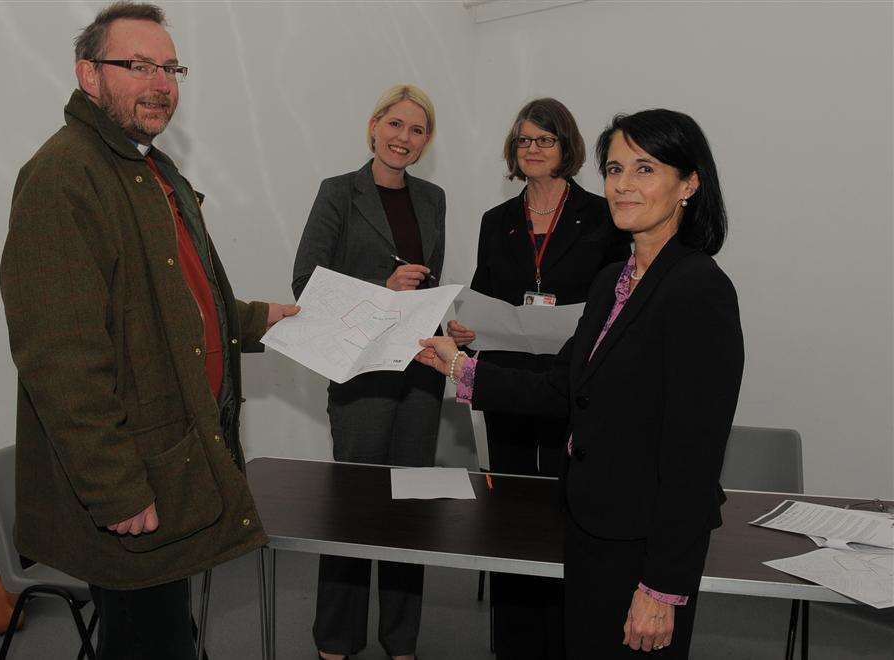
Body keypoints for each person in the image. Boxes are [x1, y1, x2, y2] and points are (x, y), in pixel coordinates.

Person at [0, 4, 298, 658]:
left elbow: (180, 301)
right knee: (149, 645)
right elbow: (61, 358)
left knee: (165, 638)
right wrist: (115, 487)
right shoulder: (64, 175)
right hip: (136, 480)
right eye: (137, 65)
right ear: (88, 75)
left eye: (170, 67)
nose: (161, 82)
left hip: (179, 459)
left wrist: (258, 319)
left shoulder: (152, 169)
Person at [420, 109, 743, 658]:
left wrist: (662, 589)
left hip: (644, 548)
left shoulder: (698, 289)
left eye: (645, 169)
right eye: (615, 169)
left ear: (690, 183)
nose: (622, 185)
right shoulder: (612, 282)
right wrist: (459, 366)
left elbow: (693, 458)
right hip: (591, 525)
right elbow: (562, 388)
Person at [447, 98, 629, 660]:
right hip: (505, 383)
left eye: (545, 140)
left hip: (569, 384)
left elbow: (615, 299)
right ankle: (515, 645)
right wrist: (464, 325)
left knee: (563, 518)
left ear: (566, 146)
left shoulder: (603, 217)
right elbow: (485, 293)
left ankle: (566, 642)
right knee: (508, 522)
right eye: (524, 140)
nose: (533, 149)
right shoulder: (495, 221)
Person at [292, 84, 444, 660]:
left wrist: (444, 322)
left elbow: (430, 283)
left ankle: (401, 641)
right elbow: (305, 281)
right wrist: (381, 290)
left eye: (418, 130)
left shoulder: (434, 199)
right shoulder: (338, 192)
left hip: (420, 373)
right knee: (354, 510)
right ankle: (336, 639)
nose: (405, 138)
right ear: (375, 126)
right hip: (360, 371)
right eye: (397, 125)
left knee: (411, 515)